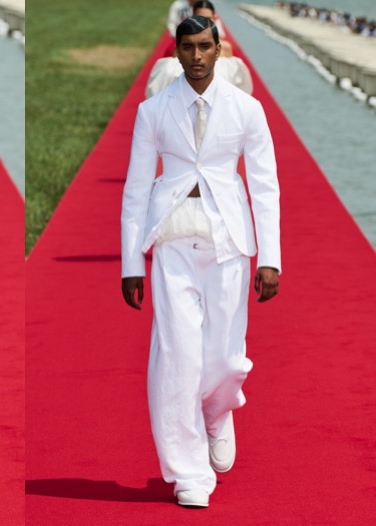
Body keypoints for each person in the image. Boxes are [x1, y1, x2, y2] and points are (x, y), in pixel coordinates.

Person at [120, 16, 280, 509]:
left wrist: (270, 258)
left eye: (204, 47)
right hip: (171, 242)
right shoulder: (153, 110)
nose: (196, 56)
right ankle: (188, 473)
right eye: (187, 47)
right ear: (176, 51)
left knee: (226, 360)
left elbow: (265, 186)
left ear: (218, 49)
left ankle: (217, 410)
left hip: (229, 242)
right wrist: (131, 263)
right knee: (177, 359)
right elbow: (135, 189)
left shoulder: (247, 109)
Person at [147, 2, 253, 98]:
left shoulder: (226, 48)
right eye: (200, 18)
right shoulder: (178, 49)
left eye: (208, 19)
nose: (204, 23)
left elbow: (234, 78)